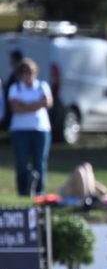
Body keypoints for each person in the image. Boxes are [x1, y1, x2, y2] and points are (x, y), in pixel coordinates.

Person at [8, 58, 53, 196]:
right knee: (22, 163)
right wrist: (37, 105)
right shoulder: (15, 88)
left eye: (31, 73)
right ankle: (23, 192)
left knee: (39, 162)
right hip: (20, 130)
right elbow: (16, 108)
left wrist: (26, 106)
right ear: (21, 75)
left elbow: (48, 102)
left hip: (41, 129)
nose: (29, 76)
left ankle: (39, 192)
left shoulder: (42, 86)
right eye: (26, 73)